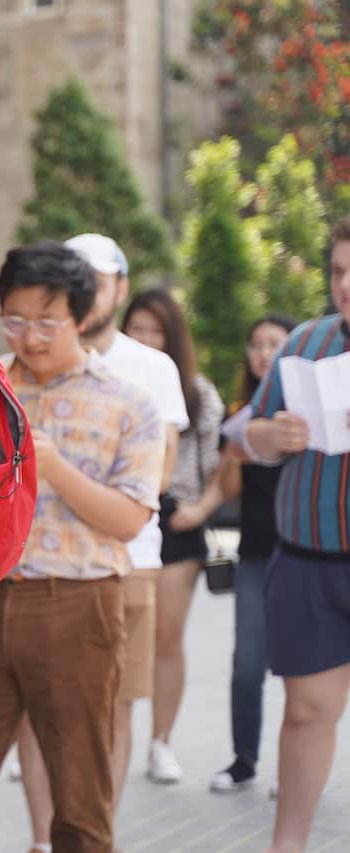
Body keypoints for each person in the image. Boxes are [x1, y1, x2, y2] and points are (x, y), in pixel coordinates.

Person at [0, 242, 164, 853]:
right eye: (15, 320)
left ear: (83, 318)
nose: (29, 337)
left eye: (46, 323)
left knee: (81, 801)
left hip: (80, 608)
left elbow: (130, 519)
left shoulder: (129, 402)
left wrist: (49, 463)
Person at [11, 234, 189, 852]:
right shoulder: (18, 369)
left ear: (115, 285)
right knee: (34, 720)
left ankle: (91, 831)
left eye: (101, 276)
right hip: (25, 575)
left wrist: (66, 472)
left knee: (106, 712)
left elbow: (155, 475)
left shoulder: (148, 370)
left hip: (125, 567)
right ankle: (41, 839)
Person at [246, 216, 350, 853]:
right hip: (308, 562)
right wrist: (271, 436)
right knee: (307, 714)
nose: (346, 285)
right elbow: (248, 435)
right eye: (340, 271)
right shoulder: (305, 343)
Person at [168, 314, 296, 792]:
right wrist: (235, 455)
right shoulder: (240, 414)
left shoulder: (312, 415)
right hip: (258, 556)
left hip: (308, 558)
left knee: (303, 674)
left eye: (275, 343)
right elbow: (227, 487)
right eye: (256, 344)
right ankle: (244, 759)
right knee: (247, 663)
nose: (264, 353)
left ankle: (296, 768)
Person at [122, 287, 225, 768]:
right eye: (136, 328)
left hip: (178, 517)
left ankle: (160, 741)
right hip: (120, 511)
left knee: (166, 633)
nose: (144, 338)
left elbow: (223, 466)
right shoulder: (107, 379)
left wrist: (201, 510)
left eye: (155, 330)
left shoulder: (197, 393)